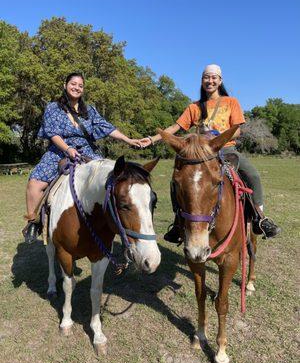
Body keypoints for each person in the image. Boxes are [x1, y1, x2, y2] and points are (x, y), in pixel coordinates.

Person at [140, 64, 281, 243]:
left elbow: (238, 129)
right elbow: (176, 127)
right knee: (176, 182)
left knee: (252, 174)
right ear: (202, 80)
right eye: (207, 77)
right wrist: (152, 139)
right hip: (201, 154)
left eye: (214, 77)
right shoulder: (194, 107)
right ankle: (177, 222)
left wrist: (218, 136)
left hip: (227, 149)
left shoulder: (231, 102)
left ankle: (260, 218)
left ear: (220, 80)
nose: (210, 80)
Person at [24, 72, 142, 244]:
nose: (76, 87)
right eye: (73, 83)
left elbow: (107, 127)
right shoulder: (53, 108)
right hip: (59, 151)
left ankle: (114, 223)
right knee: (34, 184)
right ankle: (33, 222)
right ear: (65, 85)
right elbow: (52, 133)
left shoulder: (90, 111)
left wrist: (128, 139)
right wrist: (67, 148)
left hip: (87, 152)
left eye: (80, 85)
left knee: (110, 181)